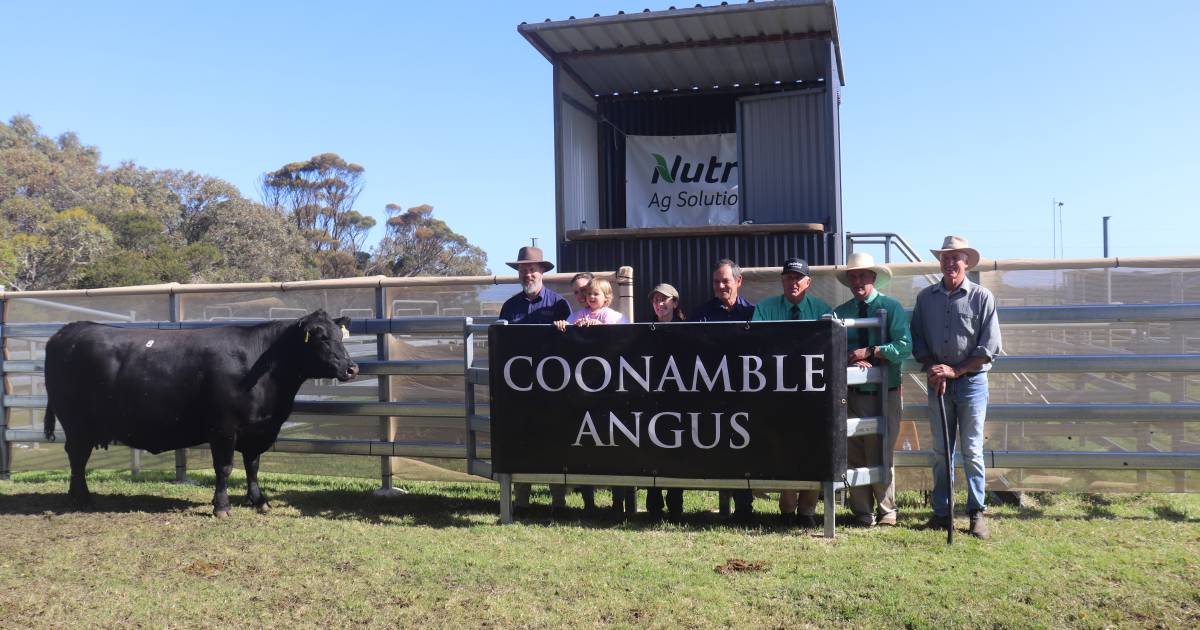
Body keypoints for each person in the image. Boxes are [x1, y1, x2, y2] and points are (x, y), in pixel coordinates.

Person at [910, 236, 1001, 539]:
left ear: (966, 262)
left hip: (972, 383)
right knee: (941, 451)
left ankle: (976, 512)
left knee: (972, 450)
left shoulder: (982, 297)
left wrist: (956, 370)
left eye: (956, 258)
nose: (950, 263)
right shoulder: (925, 298)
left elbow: (989, 347)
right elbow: (918, 339)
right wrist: (934, 368)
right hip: (939, 384)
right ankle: (942, 511)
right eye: (945, 258)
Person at [752, 257, 833, 527]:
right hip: (777, 393)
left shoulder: (823, 310)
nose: (793, 282)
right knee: (785, 446)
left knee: (813, 447)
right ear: (782, 281)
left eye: (798, 278)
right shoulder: (764, 309)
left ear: (808, 282)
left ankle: (807, 509)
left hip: (813, 394)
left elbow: (831, 348)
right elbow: (755, 346)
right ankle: (787, 507)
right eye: (788, 277)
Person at [832, 252, 911, 527]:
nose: (857, 281)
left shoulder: (892, 307)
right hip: (849, 393)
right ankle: (862, 511)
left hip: (884, 393)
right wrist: (851, 356)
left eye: (862, 275)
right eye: (853, 276)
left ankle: (887, 509)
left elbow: (904, 346)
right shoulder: (841, 313)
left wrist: (873, 351)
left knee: (881, 451)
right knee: (852, 450)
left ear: (873, 278)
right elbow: (830, 349)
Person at [498, 246, 573, 513]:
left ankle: (558, 501)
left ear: (542, 271)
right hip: (519, 384)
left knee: (554, 440)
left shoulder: (559, 304)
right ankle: (521, 501)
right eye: (523, 269)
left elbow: (572, 345)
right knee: (521, 439)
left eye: (532, 269)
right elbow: (502, 343)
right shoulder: (510, 306)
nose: (528, 274)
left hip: (553, 385)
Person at [692, 259, 756, 521]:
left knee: (744, 450)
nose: (720, 286)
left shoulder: (754, 313)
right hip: (713, 392)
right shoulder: (702, 313)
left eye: (725, 281)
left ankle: (744, 508)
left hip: (745, 393)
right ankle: (723, 503)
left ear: (738, 282)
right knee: (719, 449)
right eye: (716, 282)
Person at [644, 283, 686, 521]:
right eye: (655, 300)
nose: (659, 304)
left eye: (664, 300)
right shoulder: (645, 329)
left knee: (676, 450)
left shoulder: (686, 329)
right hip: (652, 398)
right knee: (652, 449)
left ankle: (676, 501)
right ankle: (653, 503)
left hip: (679, 397)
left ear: (675, 303)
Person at [554, 277, 627, 329]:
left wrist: (598, 324)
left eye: (596, 294)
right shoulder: (579, 314)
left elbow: (610, 330)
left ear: (606, 297)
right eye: (589, 293)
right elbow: (573, 327)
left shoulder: (611, 314)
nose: (591, 296)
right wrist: (564, 325)